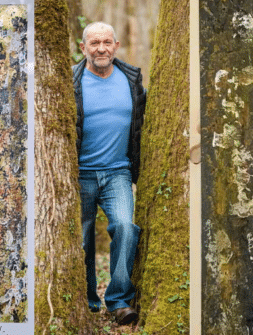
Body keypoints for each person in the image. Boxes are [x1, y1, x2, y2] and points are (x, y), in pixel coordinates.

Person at [72, 21, 146, 325]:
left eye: (106, 42)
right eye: (94, 43)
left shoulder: (131, 80)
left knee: (126, 228)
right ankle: (88, 302)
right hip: (79, 175)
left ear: (115, 46)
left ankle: (117, 300)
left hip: (118, 173)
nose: (101, 48)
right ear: (83, 48)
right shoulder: (71, 81)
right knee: (83, 240)